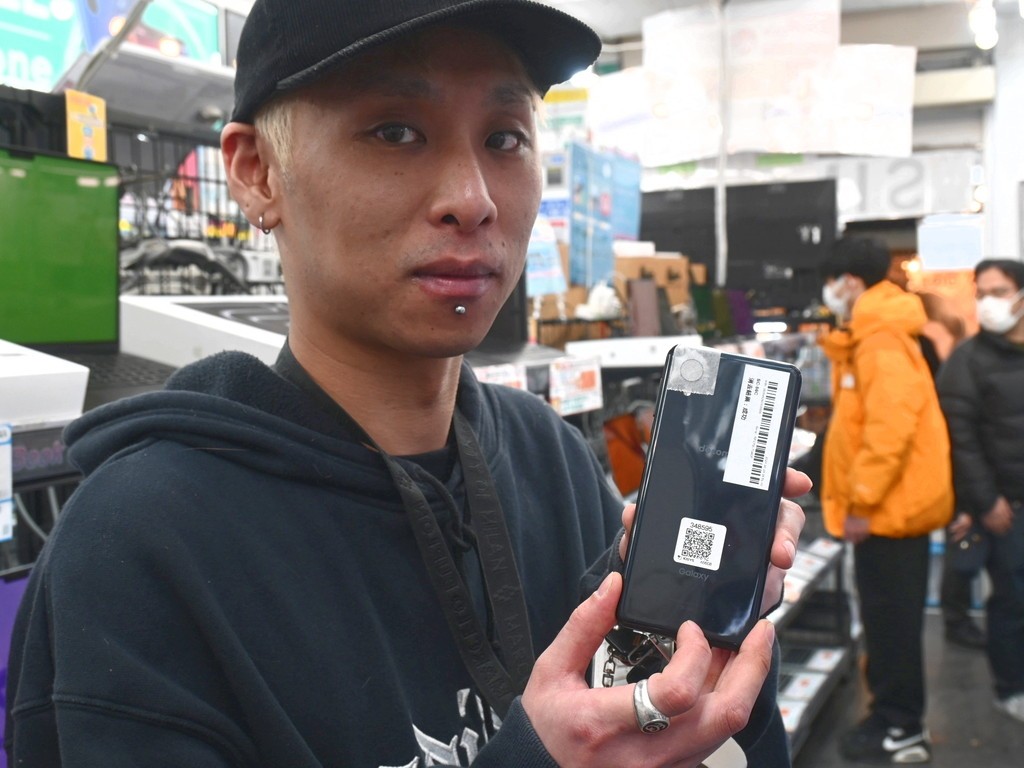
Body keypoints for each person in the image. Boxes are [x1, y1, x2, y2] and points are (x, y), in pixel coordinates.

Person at [4, 2, 810, 766]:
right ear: (256, 173)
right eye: (396, 131)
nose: (473, 200)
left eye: (505, 138)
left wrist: (702, 666)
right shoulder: (138, 546)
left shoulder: (549, 459)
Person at [818, 236, 953, 764]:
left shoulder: (880, 340)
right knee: (885, 620)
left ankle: (903, 728)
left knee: (892, 623)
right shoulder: (872, 334)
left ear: (850, 281)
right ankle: (890, 713)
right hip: (888, 512)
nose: (828, 292)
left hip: (888, 514)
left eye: (830, 282)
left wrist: (861, 503)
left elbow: (888, 432)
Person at [936, 258, 1024, 724]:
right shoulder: (967, 360)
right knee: (1012, 600)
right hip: (1005, 507)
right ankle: (1012, 687)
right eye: (982, 293)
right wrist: (985, 501)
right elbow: (960, 440)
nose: (989, 302)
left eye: (1000, 291)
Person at [886, 255, 985, 649]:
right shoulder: (935, 347)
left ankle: (957, 617)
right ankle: (956, 618)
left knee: (964, 538)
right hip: (942, 459)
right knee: (961, 538)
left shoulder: (937, 348)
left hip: (950, 457)